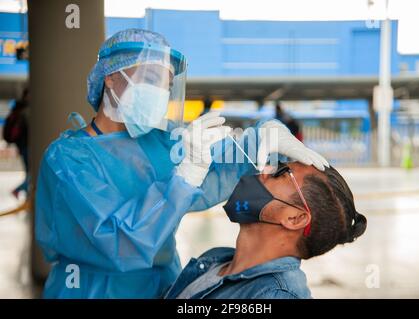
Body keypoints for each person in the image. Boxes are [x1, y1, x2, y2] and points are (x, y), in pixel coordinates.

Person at [35, 29, 329, 298]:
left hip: (163, 287)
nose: (159, 94)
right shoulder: (68, 160)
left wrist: (261, 139)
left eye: (165, 86)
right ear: (110, 77)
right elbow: (120, 245)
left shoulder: (159, 142)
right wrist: (185, 177)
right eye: (150, 80)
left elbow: (211, 172)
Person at [165, 162, 367, 299]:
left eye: (280, 172)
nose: (264, 169)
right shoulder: (214, 259)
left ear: (294, 218)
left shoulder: (275, 295)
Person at [2, 88, 29, 198]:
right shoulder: (25, 110)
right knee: (33, 174)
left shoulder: (18, 109)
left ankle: (23, 192)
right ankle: (19, 190)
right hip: (26, 146)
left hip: (22, 146)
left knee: (30, 173)